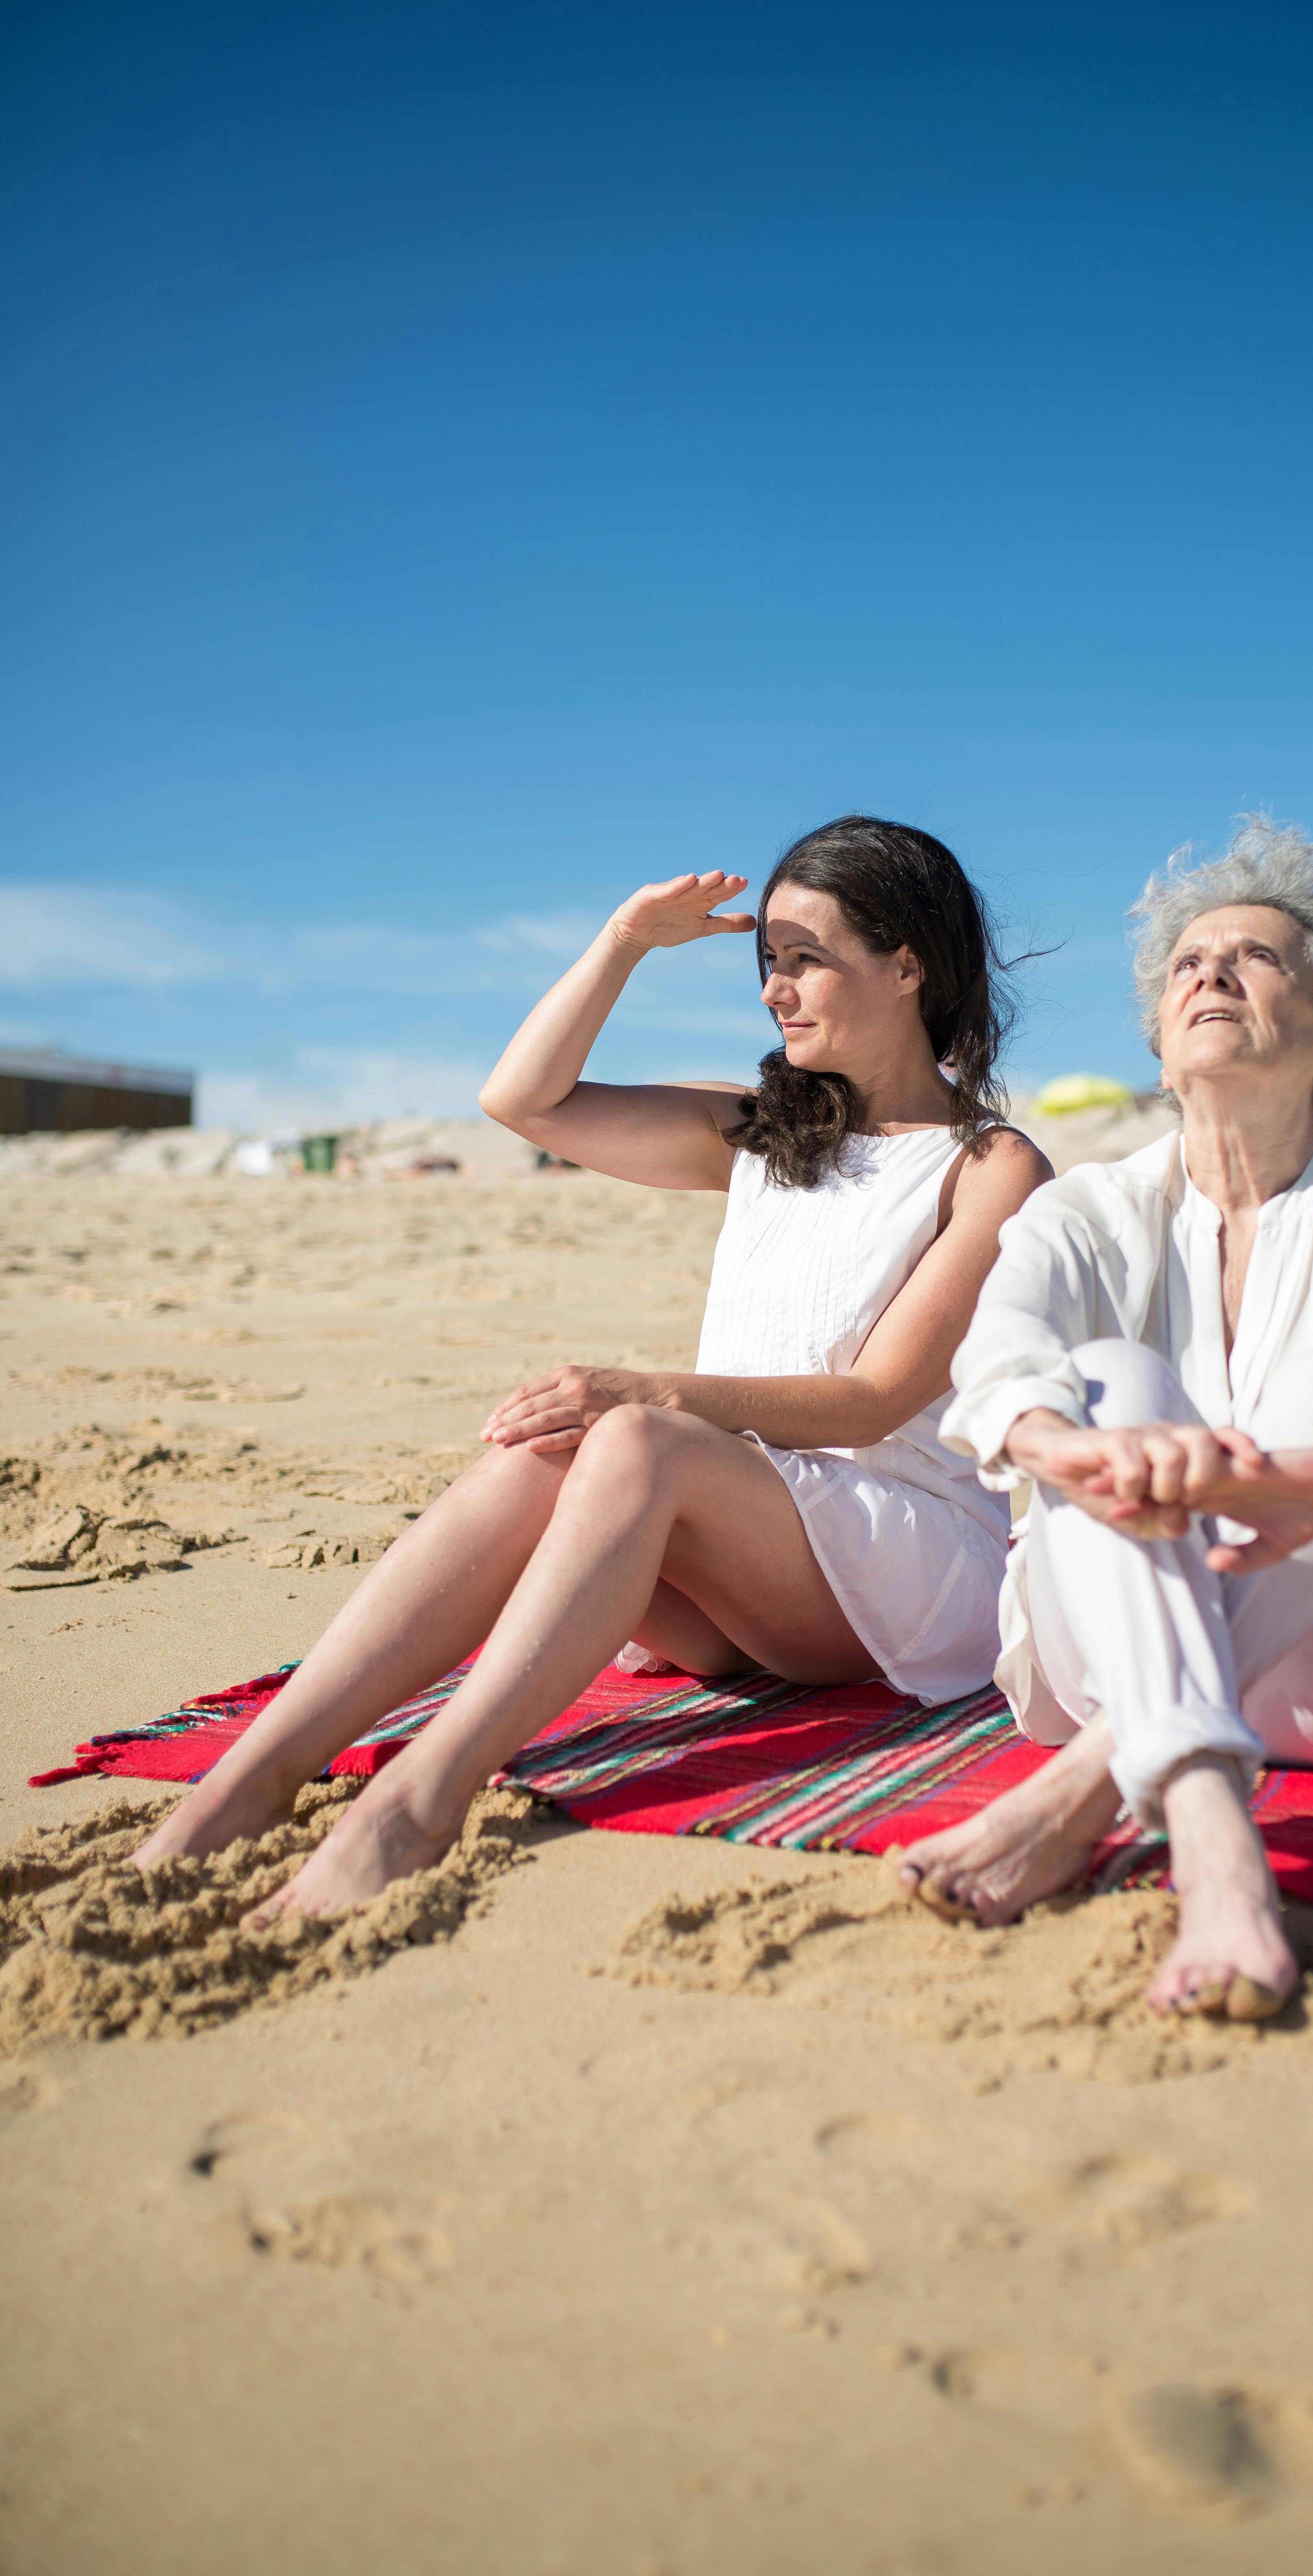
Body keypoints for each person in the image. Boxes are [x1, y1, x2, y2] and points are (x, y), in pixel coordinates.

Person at [132, 817, 1050, 1915]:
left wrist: (648, 1391)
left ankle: (417, 1802)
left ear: (909, 964)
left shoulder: (991, 1164)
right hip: (754, 1559)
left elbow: (876, 1400)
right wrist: (622, 939)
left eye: (805, 956)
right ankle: (252, 1776)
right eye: (767, 960)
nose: (775, 987)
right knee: (553, 1452)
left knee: (634, 1433)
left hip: (909, 1562)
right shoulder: (761, 1133)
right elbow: (524, 1102)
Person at [896, 817, 1313, 2023]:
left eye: (1256, 957)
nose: (1211, 973)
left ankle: (1095, 1785)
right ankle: (1216, 1845)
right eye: (1188, 962)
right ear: (1158, 1032)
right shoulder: (1087, 1209)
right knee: (1106, 1383)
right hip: (1102, 1646)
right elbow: (998, 1358)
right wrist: (1075, 1448)